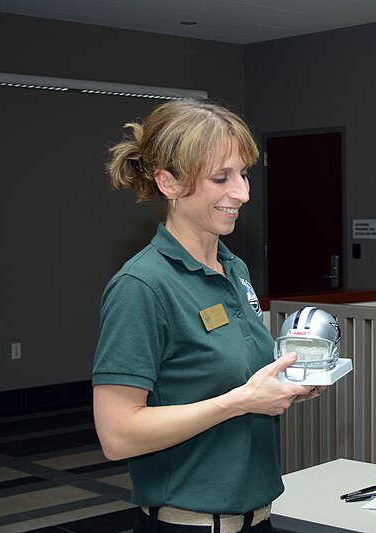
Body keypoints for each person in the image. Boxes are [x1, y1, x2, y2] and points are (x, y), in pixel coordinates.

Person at [92, 99, 323, 533]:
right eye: (222, 178)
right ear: (169, 183)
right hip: (190, 523)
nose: (243, 192)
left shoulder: (234, 270)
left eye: (244, 174)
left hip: (256, 518)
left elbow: (229, 376)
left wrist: (281, 388)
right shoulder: (141, 286)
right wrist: (241, 402)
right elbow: (117, 435)